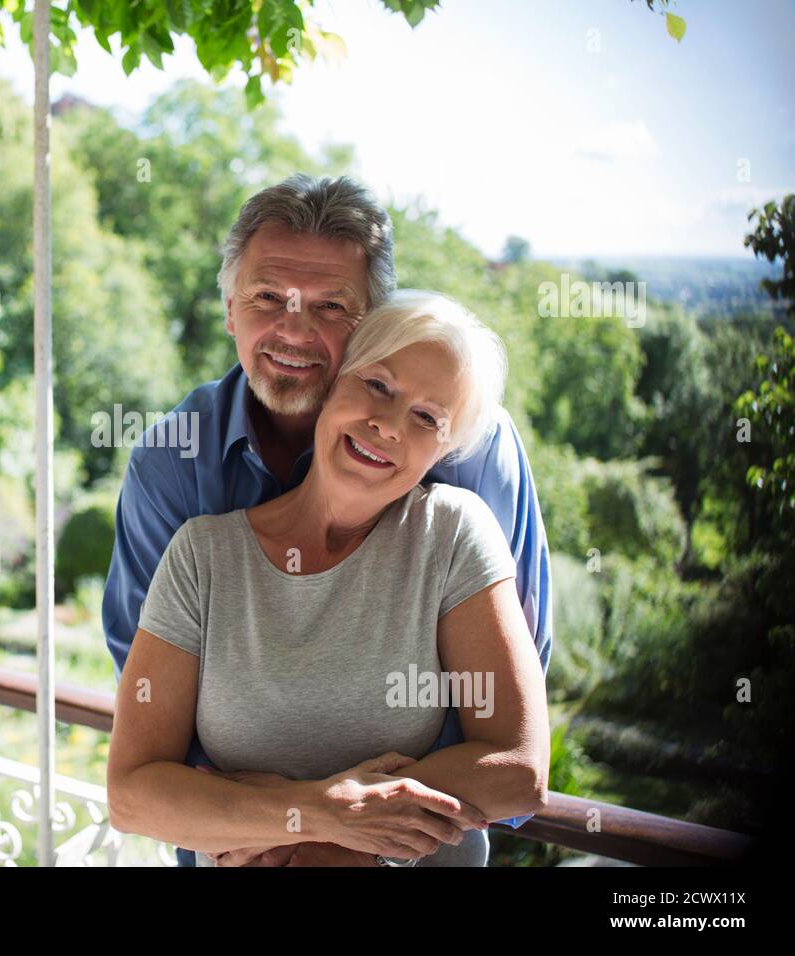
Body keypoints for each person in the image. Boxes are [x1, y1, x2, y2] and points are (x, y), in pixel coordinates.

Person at [101, 173, 553, 866]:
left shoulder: (470, 463)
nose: (293, 329)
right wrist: (281, 817)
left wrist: (349, 834)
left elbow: (507, 717)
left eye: (330, 306)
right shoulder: (176, 472)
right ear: (229, 308)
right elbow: (149, 704)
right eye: (267, 298)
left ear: (371, 324)